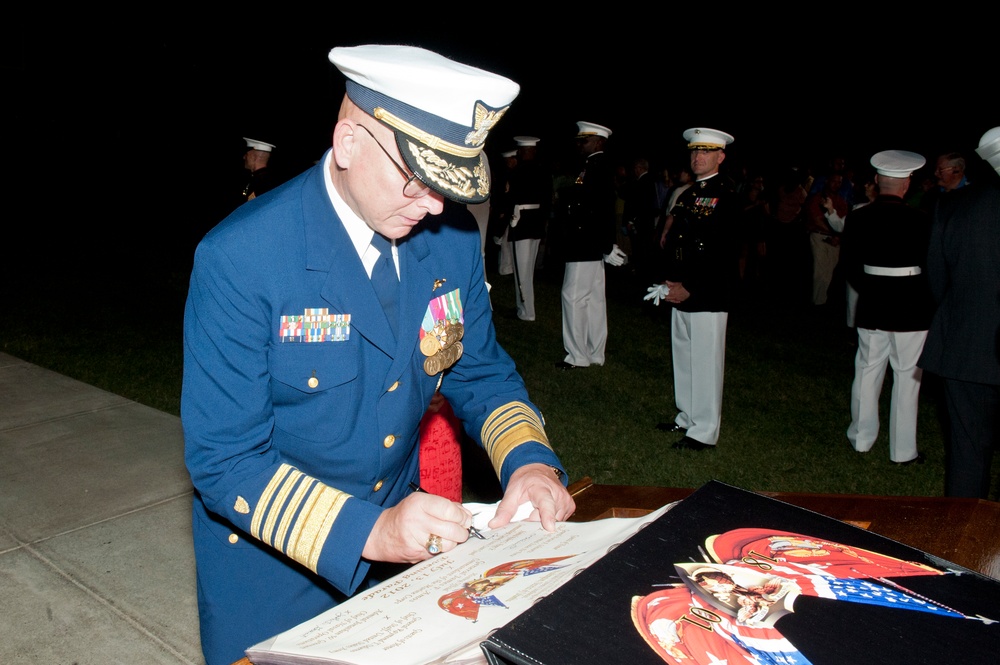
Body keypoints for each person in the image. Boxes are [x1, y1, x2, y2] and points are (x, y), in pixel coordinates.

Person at [181, 44, 575, 665]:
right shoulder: (243, 258)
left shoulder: (447, 241)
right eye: (417, 180)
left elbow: (479, 369)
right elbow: (226, 460)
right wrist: (372, 531)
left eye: (448, 184)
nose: (436, 206)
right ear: (347, 142)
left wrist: (528, 462)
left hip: (406, 564)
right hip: (271, 574)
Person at [918, 127, 1000, 498]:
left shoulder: (955, 206)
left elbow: (937, 279)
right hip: (969, 343)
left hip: (966, 343)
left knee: (967, 450)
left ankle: (961, 543)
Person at [647, 128, 740, 450]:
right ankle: (686, 415)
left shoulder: (727, 196)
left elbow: (723, 252)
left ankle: (704, 430)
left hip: (708, 293)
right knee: (684, 357)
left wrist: (693, 288)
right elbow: (677, 243)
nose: (697, 158)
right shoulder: (687, 194)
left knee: (705, 361)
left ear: (721, 156)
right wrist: (672, 281)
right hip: (682, 288)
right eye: (694, 152)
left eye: (705, 152)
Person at [840, 150, 932, 465]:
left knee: (867, 369)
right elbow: (932, 267)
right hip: (911, 305)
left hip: (873, 303)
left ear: (878, 181)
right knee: (907, 377)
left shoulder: (859, 216)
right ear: (906, 184)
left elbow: (849, 266)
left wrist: (870, 289)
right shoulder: (921, 219)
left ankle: (861, 439)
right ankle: (903, 450)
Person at [555, 121, 626, 369]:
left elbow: (600, 209)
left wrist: (606, 245)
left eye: (585, 140)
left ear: (599, 142)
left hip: (585, 242)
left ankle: (577, 355)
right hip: (589, 241)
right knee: (594, 299)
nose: (580, 144)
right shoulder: (592, 166)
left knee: (573, 297)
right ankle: (595, 353)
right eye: (579, 140)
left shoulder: (599, 167)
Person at [506, 135, 552, 321]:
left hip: (522, 223)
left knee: (522, 270)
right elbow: (548, 200)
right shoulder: (543, 171)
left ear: (523, 152)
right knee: (528, 269)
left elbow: (511, 198)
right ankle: (524, 307)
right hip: (536, 223)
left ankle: (526, 311)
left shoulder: (517, 172)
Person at [240, 137, 277, 203]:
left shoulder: (263, 183)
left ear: (254, 157)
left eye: (247, 154)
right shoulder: (261, 179)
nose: (244, 157)